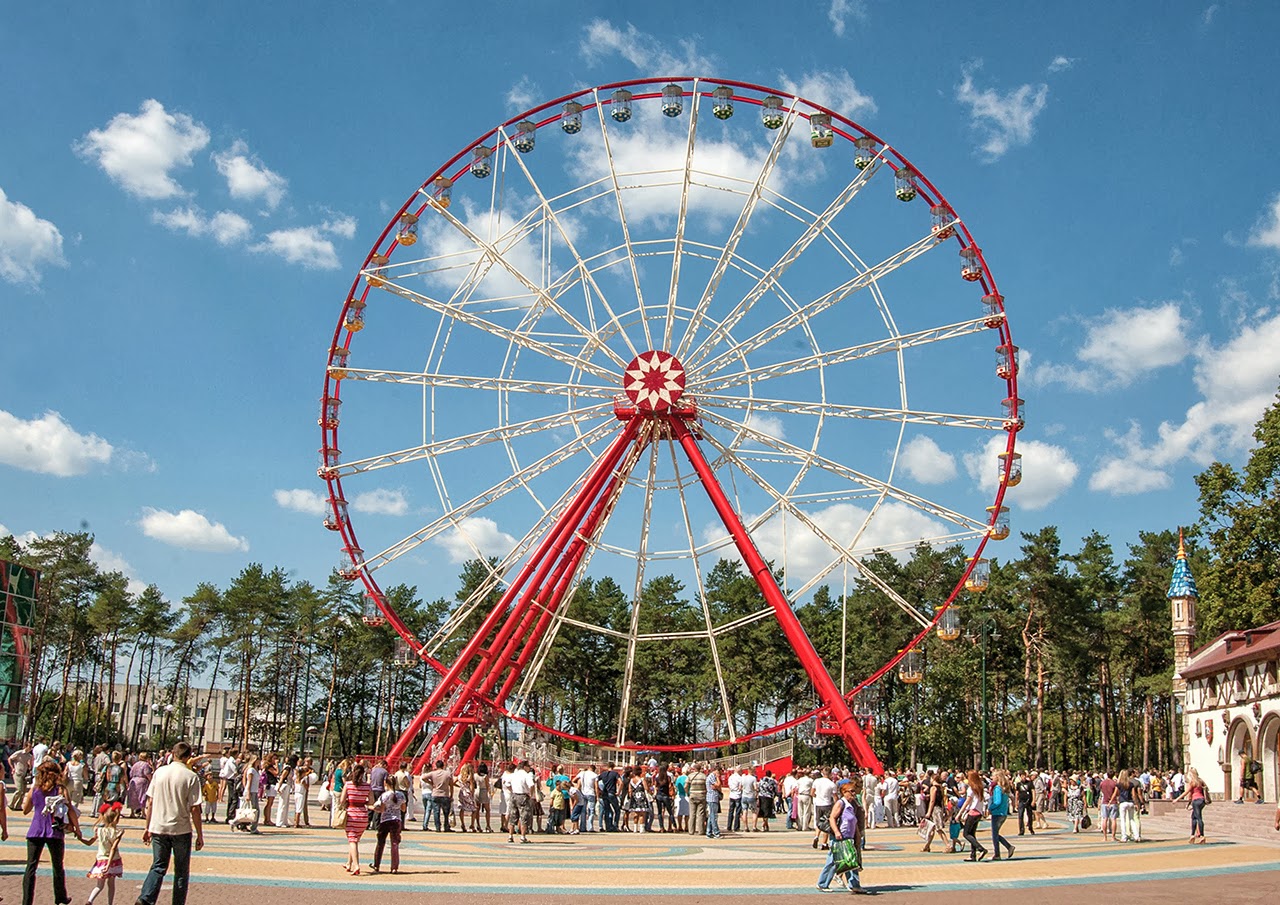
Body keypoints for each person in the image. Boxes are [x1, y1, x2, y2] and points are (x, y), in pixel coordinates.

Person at [137, 742, 204, 905]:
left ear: (173, 754)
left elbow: (150, 802)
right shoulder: (191, 777)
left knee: (158, 865)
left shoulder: (159, 773)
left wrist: (147, 827)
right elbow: (195, 809)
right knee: (181, 871)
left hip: (159, 826)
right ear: (189, 756)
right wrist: (199, 834)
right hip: (180, 828)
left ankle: (146, 898)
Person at [23, 758, 79, 905]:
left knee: (31, 867)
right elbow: (71, 811)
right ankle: (60, 897)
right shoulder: (60, 790)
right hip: (55, 831)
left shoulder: (35, 789)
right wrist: (77, 829)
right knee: (57, 866)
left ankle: (26, 901)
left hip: (36, 830)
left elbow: (25, 810)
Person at [816, 779, 869, 895]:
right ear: (844, 792)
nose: (853, 794)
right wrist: (837, 832)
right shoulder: (841, 803)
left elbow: (854, 821)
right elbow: (832, 818)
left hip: (849, 837)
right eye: (851, 791)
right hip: (839, 837)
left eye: (854, 791)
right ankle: (822, 883)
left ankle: (855, 885)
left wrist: (857, 835)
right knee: (833, 861)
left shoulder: (853, 804)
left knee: (851, 861)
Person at [82, 803, 125, 905]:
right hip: (113, 860)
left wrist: (80, 838)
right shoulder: (117, 832)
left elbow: (89, 842)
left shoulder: (99, 830)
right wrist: (109, 864)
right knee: (111, 884)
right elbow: (113, 848)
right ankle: (110, 903)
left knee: (99, 885)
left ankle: (90, 901)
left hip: (101, 859)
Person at [369, 773, 407, 873]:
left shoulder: (384, 796)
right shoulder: (401, 795)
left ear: (386, 783)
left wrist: (372, 808)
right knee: (394, 844)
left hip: (385, 820)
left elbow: (381, 809)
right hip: (396, 820)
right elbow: (403, 809)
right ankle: (394, 867)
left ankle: (376, 864)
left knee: (381, 843)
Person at [340, 761, 371, 873]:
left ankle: (356, 865)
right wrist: (362, 801)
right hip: (363, 815)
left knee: (352, 841)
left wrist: (349, 800)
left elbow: (342, 800)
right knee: (355, 840)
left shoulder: (348, 785)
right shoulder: (367, 787)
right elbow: (371, 801)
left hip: (351, 815)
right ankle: (349, 863)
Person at [1174, 767, 1209, 844]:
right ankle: (1192, 835)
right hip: (1202, 800)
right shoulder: (1200, 781)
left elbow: (1186, 792)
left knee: (1198, 817)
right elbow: (1204, 789)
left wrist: (1177, 799)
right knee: (1194, 817)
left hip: (1196, 800)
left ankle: (1201, 836)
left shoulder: (1193, 782)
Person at [959, 770, 988, 861]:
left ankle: (981, 849)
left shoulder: (971, 788)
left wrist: (960, 813)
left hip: (973, 812)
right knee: (972, 834)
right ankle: (973, 855)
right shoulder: (980, 787)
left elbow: (967, 801)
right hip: (979, 812)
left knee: (966, 833)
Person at [988, 769, 1016, 860]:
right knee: (995, 834)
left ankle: (997, 854)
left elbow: (997, 801)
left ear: (997, 777)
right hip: (1003, 812)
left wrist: (990, 808)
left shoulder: (997, 788)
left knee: (994, 834)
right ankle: (1008, 847)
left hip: (997, 813)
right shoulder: (1005, 788)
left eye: (993, 776)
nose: (992, 778)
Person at [508, 760, 535, 843]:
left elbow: (507, 784)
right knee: (524, 816)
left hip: (514, 795)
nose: (529, 769)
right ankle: (523, 837)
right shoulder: (526, 775)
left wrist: (512, 790)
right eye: (528, 767)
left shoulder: (514, 774)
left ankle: (510, 836)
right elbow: (532, 785)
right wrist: (531, 794)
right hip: (523, 795)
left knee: (512, 816)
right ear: (525, 767)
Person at [424, 759, 454, 832]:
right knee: (446, 813)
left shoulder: (433, 773)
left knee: (436, 812)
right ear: (443, 766)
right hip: (445, 794)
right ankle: (446, 827)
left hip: (435, 794)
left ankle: (438, 827)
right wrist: (451, 795)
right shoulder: (447, 774)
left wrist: (431, 783)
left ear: (436, 766)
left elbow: (423, 777)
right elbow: (451, 785)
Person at [812, 769, 836, 850]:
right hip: (827, 805)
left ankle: (816, 836)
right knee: (826, 824)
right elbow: (835, 796)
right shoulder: (831, 784)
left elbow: (812, 793)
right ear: (830, 774)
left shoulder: (816, 781)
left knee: (818, 822)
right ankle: (824, 843)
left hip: (818, 804)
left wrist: (817, 797)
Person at [8, 741, 33, 810]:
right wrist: (12, 768)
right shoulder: (19, 753)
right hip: (18, 773)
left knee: (23, 792)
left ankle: (18, 806)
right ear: (25, 746)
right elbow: (10, 759)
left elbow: (30, 766)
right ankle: (11, 804)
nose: (30, 748)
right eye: (29, 747)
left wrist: (30, 766)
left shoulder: (30, 756)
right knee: (19, 790)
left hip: (24, 774)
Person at [1098, 771, 1119, 843]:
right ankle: (1113, 836)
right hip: (1113, 802)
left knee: (1104, 819)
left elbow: (1101, 792)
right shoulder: (1114, 783)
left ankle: (1105, 837)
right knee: (1113, 819)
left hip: (1104, 802)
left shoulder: (1102, 783)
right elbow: (1116, 793)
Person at [705, 763, 722, 839]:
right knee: (713, 816)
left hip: (714, 797)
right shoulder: (712, 776)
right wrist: (718, 778)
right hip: (712, 797)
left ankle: (709, 832)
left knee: (711, 816)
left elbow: (717, 787)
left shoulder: (712, 776)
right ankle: (716, 832)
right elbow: (718, 785)